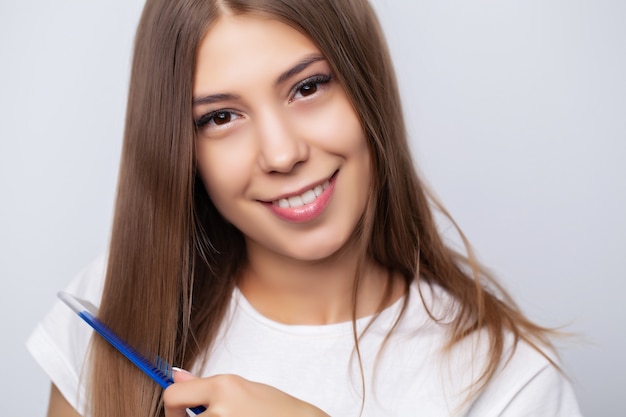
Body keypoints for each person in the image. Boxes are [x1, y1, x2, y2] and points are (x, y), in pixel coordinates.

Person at [27, 1, 583, 416]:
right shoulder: (116, 304)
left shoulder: (512, 381)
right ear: (181, 151)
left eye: (309, 87)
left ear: (368, 88)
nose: (283, 153)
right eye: (220, 117)